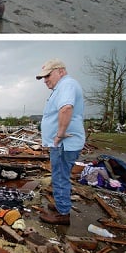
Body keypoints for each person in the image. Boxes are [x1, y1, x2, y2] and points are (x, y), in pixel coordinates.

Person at [36, 58, 86, 225]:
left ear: (61, 71)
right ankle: (60, 206)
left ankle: (63, 214)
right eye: (43, 77)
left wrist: (59, 134)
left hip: (64, 143)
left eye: (48, 75)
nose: (45, 80)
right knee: (59, 175)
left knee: (60, 176)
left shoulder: (67, 85)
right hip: (63, 143)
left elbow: (66, 108)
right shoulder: (63, 86)